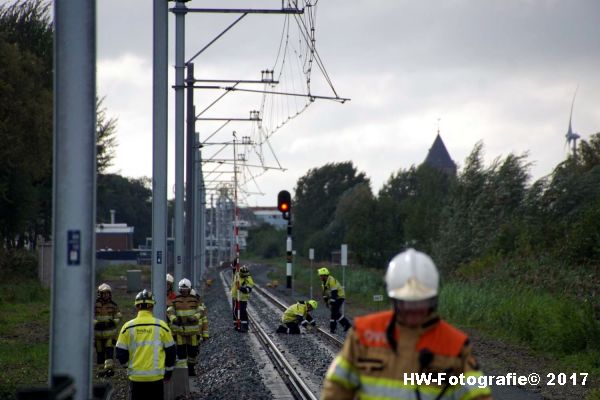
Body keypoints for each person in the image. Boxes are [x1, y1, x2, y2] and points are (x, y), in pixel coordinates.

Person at [321, 249, 493, 400]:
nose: (413, 311)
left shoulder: (455, 345)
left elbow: (478, 395)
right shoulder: (365, 333)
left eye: (420, 303)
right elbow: (337, 387)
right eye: (406, 303)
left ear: (433, 300)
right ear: (394, 300)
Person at [116, 289, 176, 400]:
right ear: (152, 306)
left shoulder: (127, 327)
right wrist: (168, 372)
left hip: (136, 378)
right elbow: (171, 351)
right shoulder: (162, 326)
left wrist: (127, 366)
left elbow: (120, 352)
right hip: (156, 378)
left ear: (137, 307)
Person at [167, 278, 202, 376]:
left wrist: (195, 317)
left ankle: (191, 369)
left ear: (189, 289)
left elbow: (201, 310)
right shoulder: (176, 300)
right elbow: (170, 311)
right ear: (179, 290)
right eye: (182, 290)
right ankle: (182, 372)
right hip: (180, 332)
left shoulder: (195, 300)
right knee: (181, 353)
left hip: (193, 333)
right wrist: (174, 319)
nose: (184, 292)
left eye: (186, 290)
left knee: (193, 352)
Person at [94, 283, 121, 377]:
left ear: (110, 294)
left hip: (110, 334)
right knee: (100, 353)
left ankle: (109, 370)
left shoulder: (113, 305)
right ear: (100, 294)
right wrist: (96, 323)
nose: (106, 295)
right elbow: (89, 316)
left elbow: (118, 316)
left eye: (107, 293)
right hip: (97, 334)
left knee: (109, 352)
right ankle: (100, 371)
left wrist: (113, 322)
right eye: (103, 293)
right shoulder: (95, 305)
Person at [318, 267, 352, 333]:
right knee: (336, 313)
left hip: (339, 297)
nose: (320, 277)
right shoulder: (323, 283)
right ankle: (347, 325)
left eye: (321, 276)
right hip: (333, 298)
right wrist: (326, 302)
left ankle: (332, 329)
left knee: (334, 313)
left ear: (325, 275)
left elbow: (334, 292)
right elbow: (325, 294)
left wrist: (332, 302)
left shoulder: (331, 280)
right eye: (320, 276)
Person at [230, 265, 254, 332]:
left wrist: (240, 288)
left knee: (242, 312)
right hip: (235, 297)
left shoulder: (249, 279)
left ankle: (244, 327)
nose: (244, 276)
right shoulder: (237, 275)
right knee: (235, 311)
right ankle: (236, 325)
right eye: (242, 274)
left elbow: (248, 290)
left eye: (245, 275)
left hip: (243, 299)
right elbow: (234, 269)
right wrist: (235, 261)